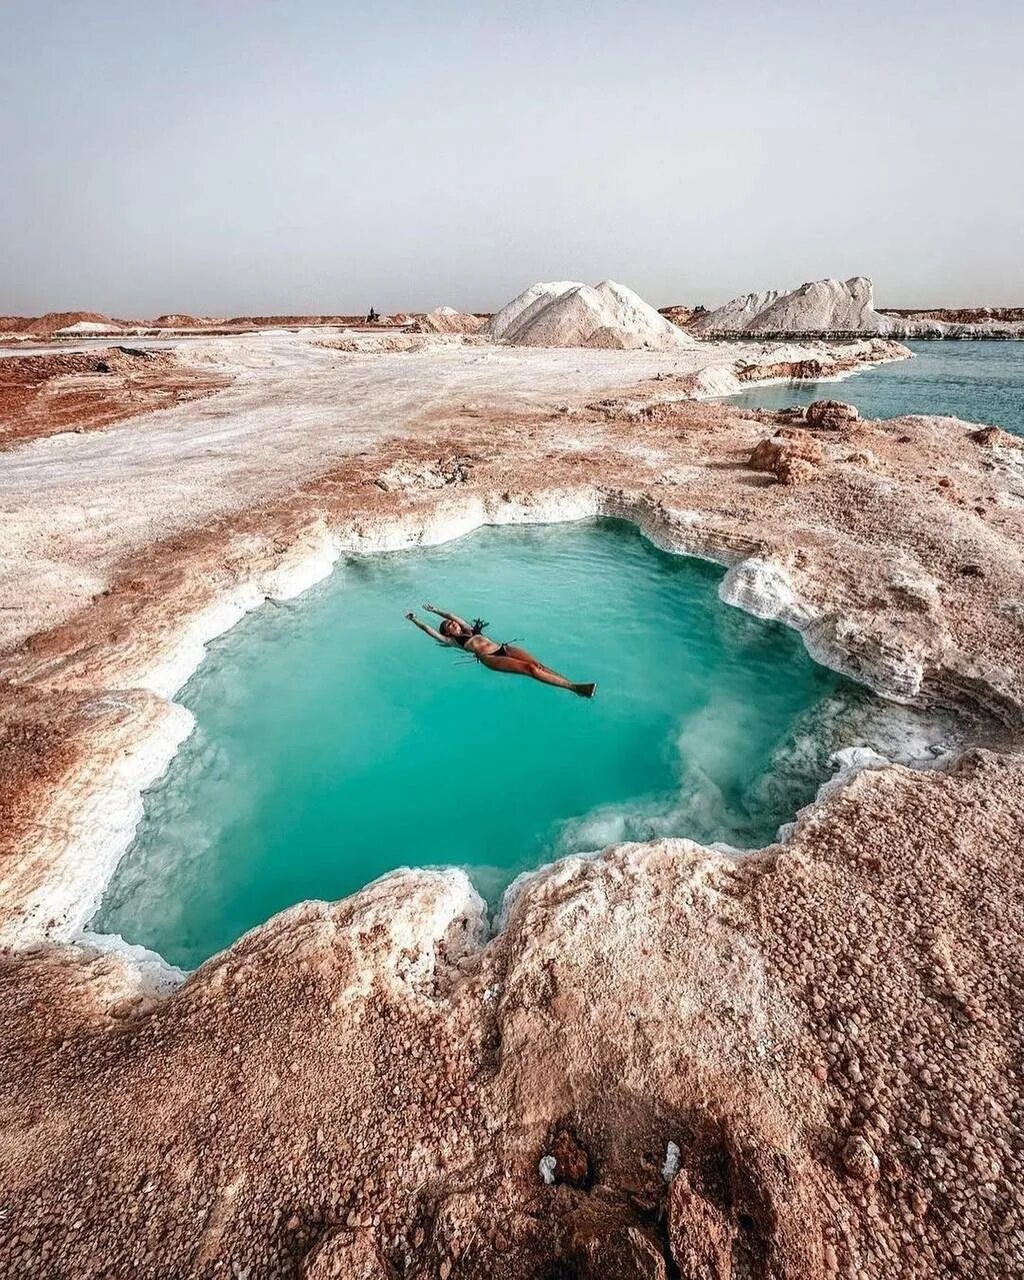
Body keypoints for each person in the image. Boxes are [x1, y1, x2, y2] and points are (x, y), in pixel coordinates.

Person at [405, 603, 596, 698]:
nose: (453, 623)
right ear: (447, 632)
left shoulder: (469, 629)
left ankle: (576, 687)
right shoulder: (454, 641)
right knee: (532, 670)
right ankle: (574, 688)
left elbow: (452, 614)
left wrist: (435, 610)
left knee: (538, 665)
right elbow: (429, 631)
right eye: (449, 625)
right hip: (491, 658)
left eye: (452, 622)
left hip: (503, 648)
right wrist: (416, 620)